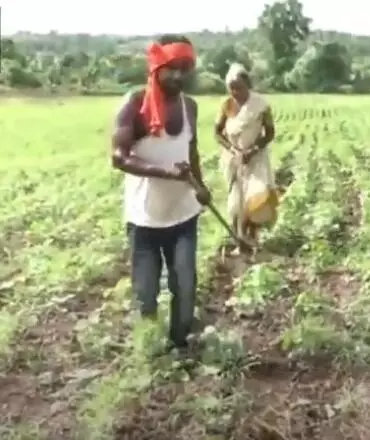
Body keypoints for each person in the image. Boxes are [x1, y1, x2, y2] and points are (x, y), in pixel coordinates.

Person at [110, 34, 211, 353]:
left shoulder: (190, 106)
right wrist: (166, 173)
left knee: (185, 285)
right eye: (173, 69)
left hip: (183, 214)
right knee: (147, 291)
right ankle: (150, 350)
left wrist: (200, 185)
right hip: (145, 219)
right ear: (157, 68)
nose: (180, 76)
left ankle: (180, 345)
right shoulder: (135, 103)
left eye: (186, 69)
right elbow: (118, 157)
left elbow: (191, 151)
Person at [214, 63, 278, 254]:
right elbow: (217, 133)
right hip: (234, 159)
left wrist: (254, 149)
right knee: (236, 201)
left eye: (239, 87)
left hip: (256, 157)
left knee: (256, 197)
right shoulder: (226, 106)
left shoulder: (261, 105)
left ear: (248, 85)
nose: (235, 92)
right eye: (231, 88)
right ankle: (238, 240)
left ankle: (253, 237)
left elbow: (270, 132)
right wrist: (234, 150)